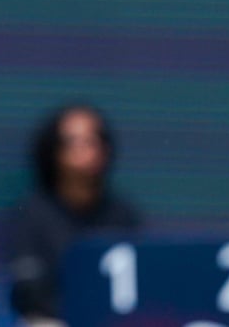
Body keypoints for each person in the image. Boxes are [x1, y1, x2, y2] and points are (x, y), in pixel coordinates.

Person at [7, 104, 143, 326]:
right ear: (54, 150)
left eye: (91, 140)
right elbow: (29, 289)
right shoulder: (32, 214)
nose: (82, 150)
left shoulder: (123, 215)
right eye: (71, 141)